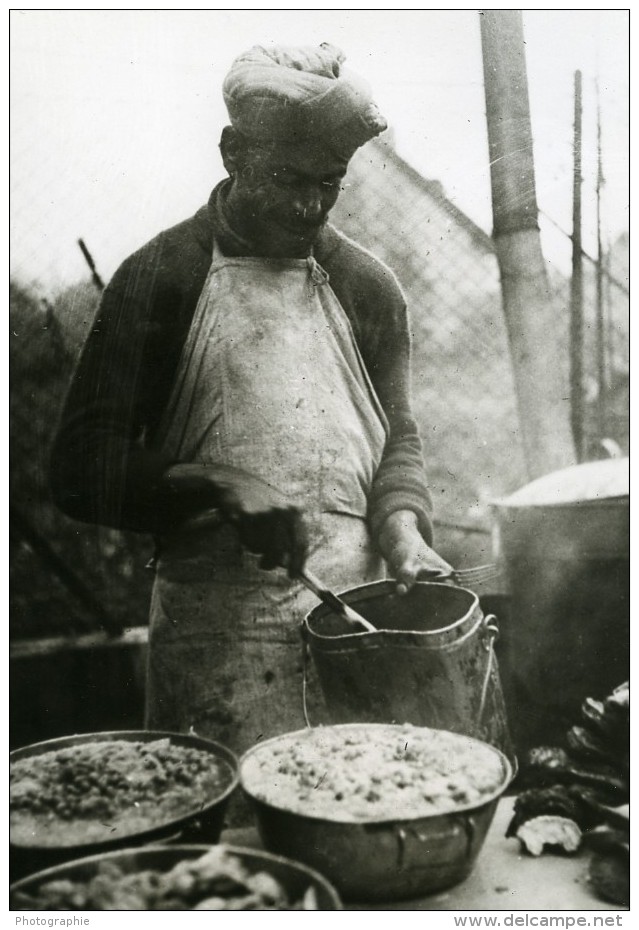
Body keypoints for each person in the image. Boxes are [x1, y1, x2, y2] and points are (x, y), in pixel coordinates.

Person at [50, 43, 452, 756]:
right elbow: (81, 466)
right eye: (287, 177)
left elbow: (397, 438)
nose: (308, 204)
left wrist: (401, 529)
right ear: (232, 151)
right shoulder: (161, 277)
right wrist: (214, 482)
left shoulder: (366, 286)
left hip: (353, 631)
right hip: (217, 649)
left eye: (329, 183)